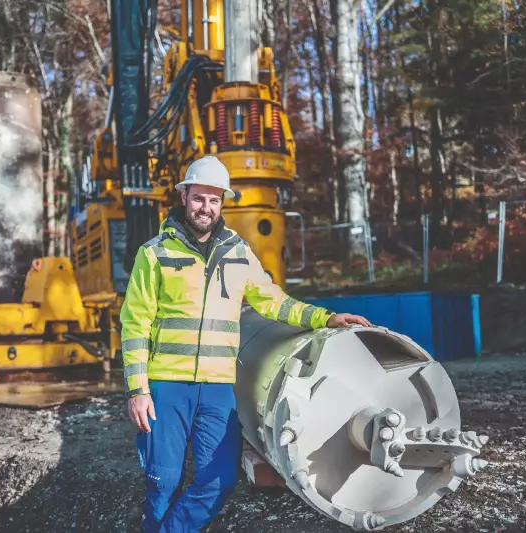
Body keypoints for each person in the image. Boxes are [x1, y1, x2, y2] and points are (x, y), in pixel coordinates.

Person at [119, 155, 371, 533]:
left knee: (219, 481)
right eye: (199, 198)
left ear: (223, 203)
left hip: (219, 389)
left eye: (214, 200)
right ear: (185, 196)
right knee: (163, 482)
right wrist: (138, 391)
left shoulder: (238, 254)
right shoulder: (154, 253)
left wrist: (324, 317)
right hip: (166, 386)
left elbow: (273, 301)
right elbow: (134, 324)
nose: (206, 207)